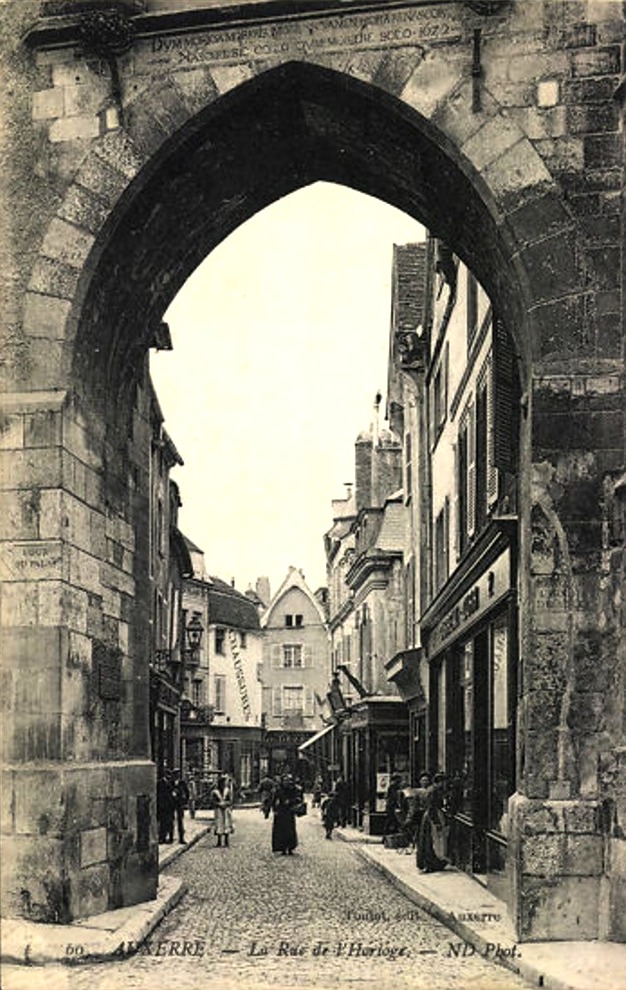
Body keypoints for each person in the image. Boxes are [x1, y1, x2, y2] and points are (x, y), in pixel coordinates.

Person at [416, 772, 449, 873]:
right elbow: (431, 807)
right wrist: (436, 822)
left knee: (429, 840)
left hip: (430, 815)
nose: (444, 785)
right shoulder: (433, 791)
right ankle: (430, 863)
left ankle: (432, 862)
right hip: (432, 816)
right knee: (430, 840)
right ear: (439, 782)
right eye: (443, 782)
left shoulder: (431, 790)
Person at [271, 773, 302, 855]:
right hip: (281, 811)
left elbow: (298, 798)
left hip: (289, 811)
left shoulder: (293, 789)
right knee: (281, 831)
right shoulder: (279, 789)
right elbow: (274, 800)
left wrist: (292, 801)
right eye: (285, 780)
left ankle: (290, 847)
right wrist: (274, 809)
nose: (286, 782)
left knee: (290, 830)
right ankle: (282, 848)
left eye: (288, 780)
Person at [211, 773, 234, 848]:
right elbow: (213, 801)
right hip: (218, 810)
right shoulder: (215, 792)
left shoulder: (227, 791)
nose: (223, 785)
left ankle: (226, 841)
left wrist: (226, 804)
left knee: (226, 823)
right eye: (222, 783)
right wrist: (218, 804)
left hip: (226, 809)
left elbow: (230, 800)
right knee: (219, 824)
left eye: (224, 783)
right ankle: (219, 841)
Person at [172, 768, 190, 844]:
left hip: (180, 803)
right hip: (171, 803)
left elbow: (187, 792)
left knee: (180, 821)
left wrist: (185, 801)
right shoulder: (171, 782)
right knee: (170, 820)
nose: (177, 775)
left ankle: (181, 838)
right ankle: (170, 837)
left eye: (178, 774)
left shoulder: (182, 783)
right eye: (175, 774)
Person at [157, 769, 175, 844]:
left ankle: (170, 838)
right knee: (163, 823)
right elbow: (158, 795)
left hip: (170, 807)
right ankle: (162, 838)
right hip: (163, 807)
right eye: (168, 775)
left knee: (170, 823)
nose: (169, 777)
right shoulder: (160, 783)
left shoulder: (171, 783)